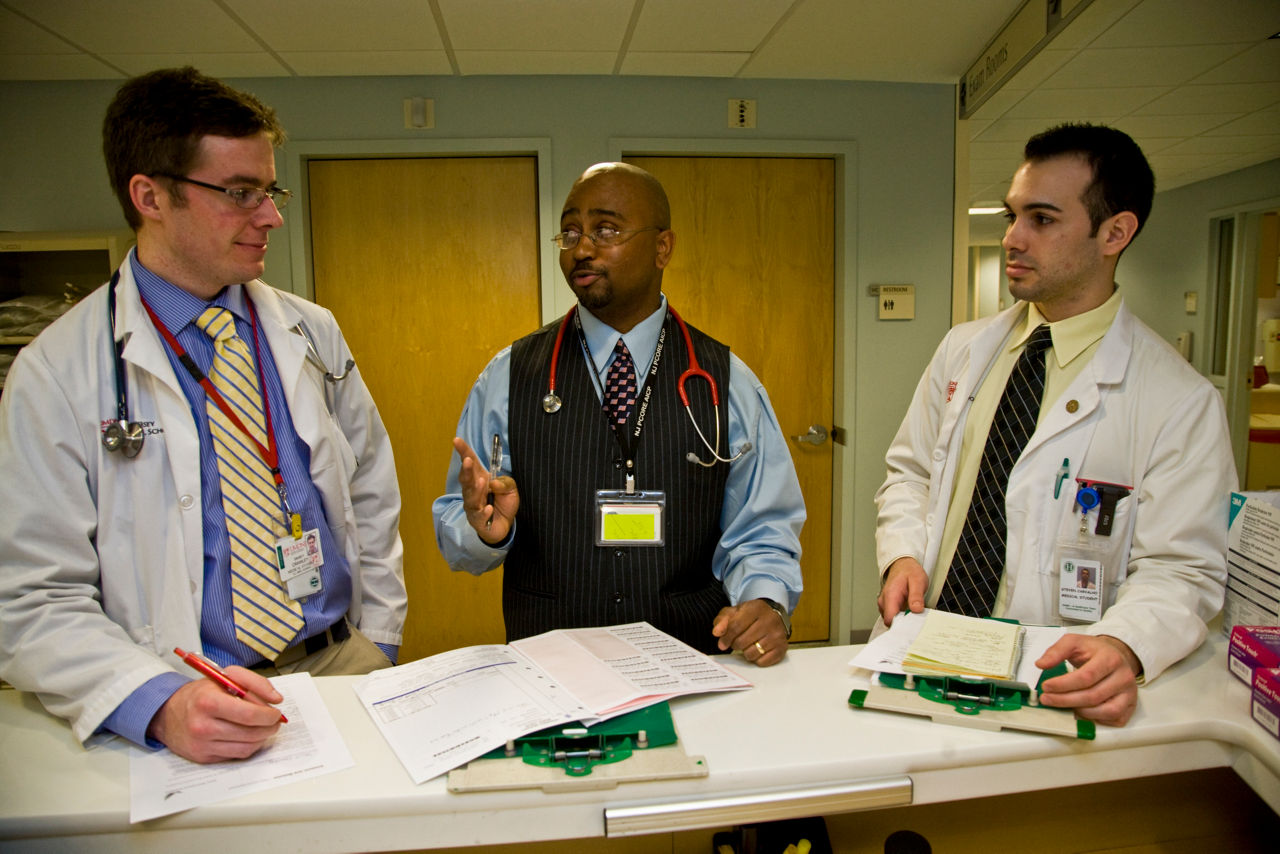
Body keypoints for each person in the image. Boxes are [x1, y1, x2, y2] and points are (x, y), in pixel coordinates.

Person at [0, 68, 407, 763]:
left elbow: (368, 481)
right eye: (240, 193)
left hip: (343, 668)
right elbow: (32, 597)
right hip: (190, 703)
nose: (273, 215)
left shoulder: (310, 331)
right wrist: (158, 704)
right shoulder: (55, 373)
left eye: (269, 190)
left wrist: (382, 637)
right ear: (150, 195)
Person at [875, 123, 1235, 726]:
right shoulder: (964, 351)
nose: (1013, 238)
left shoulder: (1179, 401)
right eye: (1013, 216)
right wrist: (903, 557)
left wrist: (1124, 644)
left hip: (1056, 678)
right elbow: (909, 473)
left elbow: (1183, 569)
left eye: (1042, 219)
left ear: (1115, 232)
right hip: (929, 648)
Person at [433, 162, 804, 664]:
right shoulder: (510, 376)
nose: (581, 248)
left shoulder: (724, 379)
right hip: (552, 667)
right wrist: (484, 532)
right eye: (570, 231)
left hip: (691, 661)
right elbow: (459, 523)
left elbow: (763, 527)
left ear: (662, 247)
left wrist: (766, 601)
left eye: (606, 229)